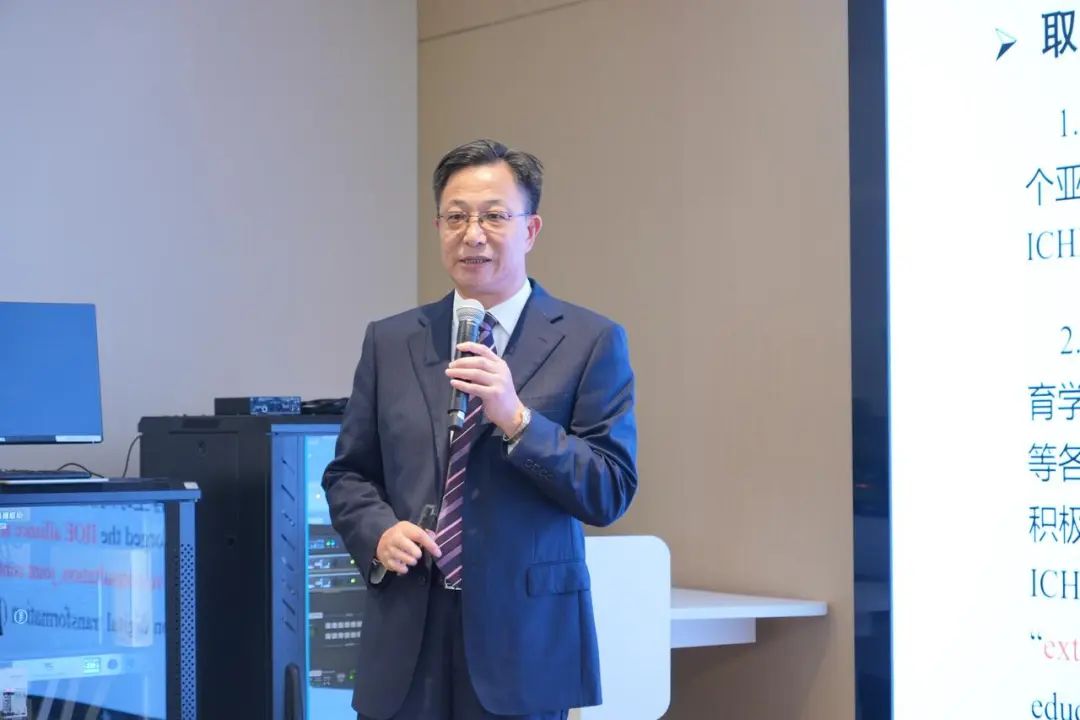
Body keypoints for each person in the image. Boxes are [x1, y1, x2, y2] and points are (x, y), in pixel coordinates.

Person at [322, 138, 638, 720]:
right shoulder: (391, 340)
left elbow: (610, 489)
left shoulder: (590, 341)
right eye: (456, 217)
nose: (472, 235)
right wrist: (379, 532)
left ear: (530, 230)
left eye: (493, 216)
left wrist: (518, 419)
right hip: (408, 634)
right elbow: (349, 474)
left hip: (523, 639)